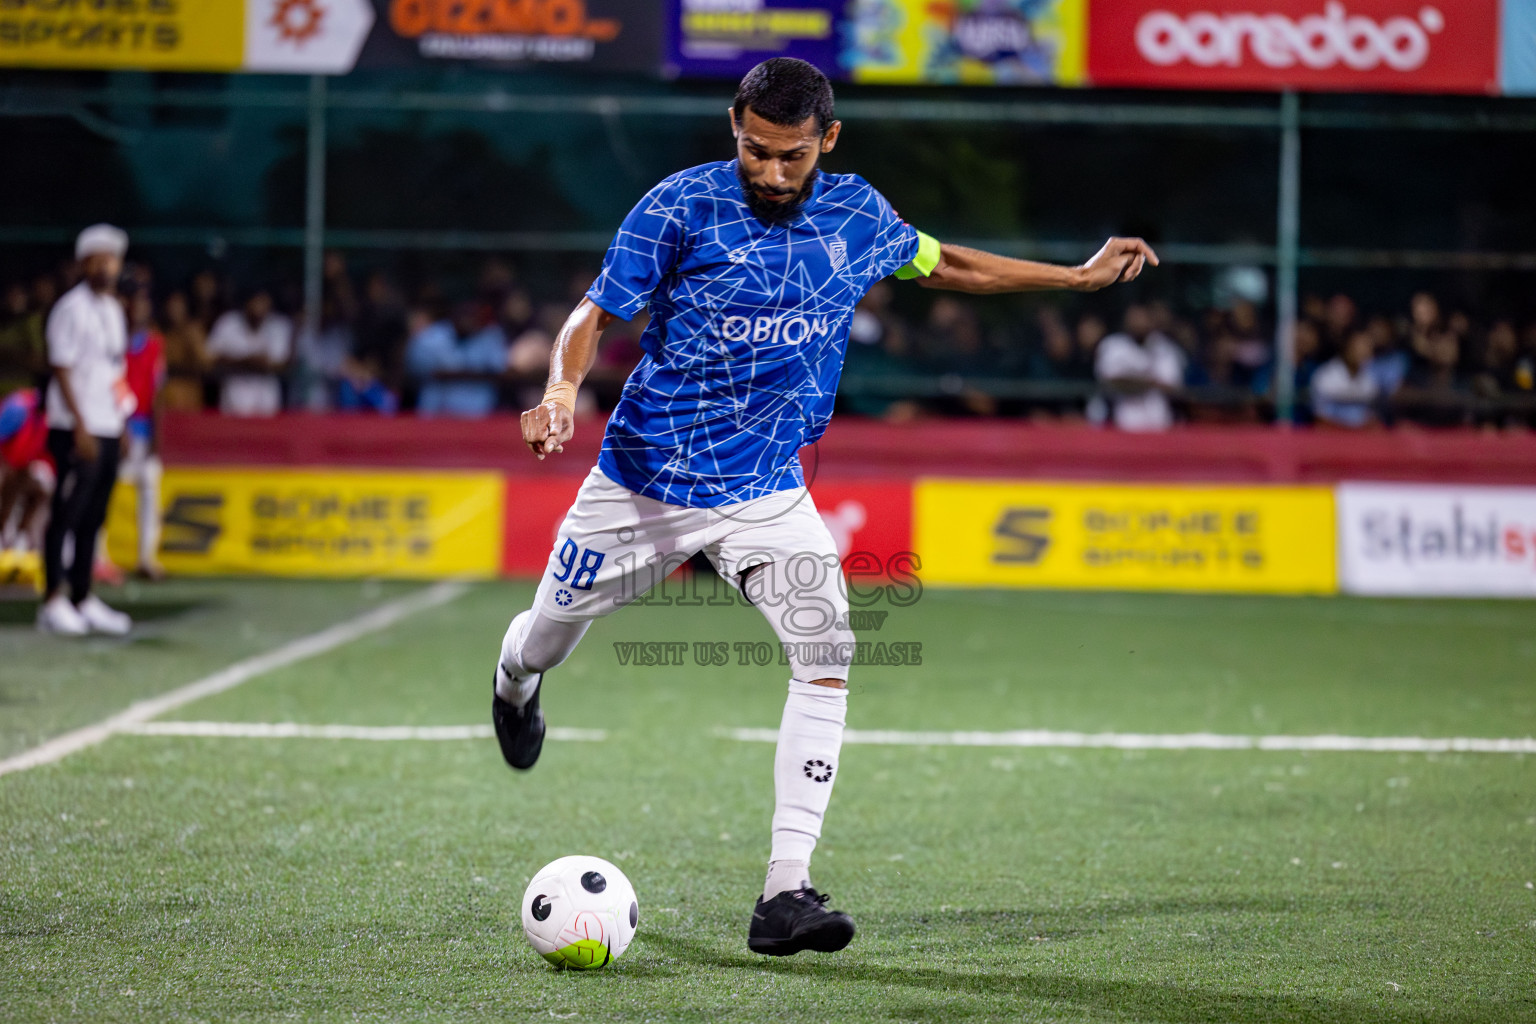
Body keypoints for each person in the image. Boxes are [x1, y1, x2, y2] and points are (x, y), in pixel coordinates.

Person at [491, 58, 1156, 958]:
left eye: (791, 156)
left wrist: (1075, 281)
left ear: (828, 141)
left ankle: (785, 894)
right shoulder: (678, 207)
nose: (771, 172)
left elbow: (944, 262)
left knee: (828, 652)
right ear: (735, 125)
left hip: (767, 490)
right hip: (642, 484)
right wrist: (564, 390)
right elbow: (593, 314)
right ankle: (515, 681)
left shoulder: (857, 215)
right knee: (547, 633)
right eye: (756, 151)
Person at [37, 224, 134, 636]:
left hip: (108, 423)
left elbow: (116, 369)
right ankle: (53, 600)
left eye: (111, 259)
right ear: (83, 264)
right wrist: (80, 425)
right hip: (76, 425)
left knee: (95, 515)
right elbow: (61, 368)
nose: (105, 266)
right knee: (66, 512)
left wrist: (123, 420)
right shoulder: (70, 309)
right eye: (97, 259)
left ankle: (82, 595)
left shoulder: (114, 311)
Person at [120, 287, 167, 579]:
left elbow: (158, 390)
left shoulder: (154, 345)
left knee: (151, 488)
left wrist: (156, 435)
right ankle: (97, 560)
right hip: (114, 428)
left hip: (144, 429)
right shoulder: (113, 342)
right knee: (101, 492)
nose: (139, 310)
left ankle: (147, 559)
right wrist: (119, 429)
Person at [405, 300, 508, 417]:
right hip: (436, 411)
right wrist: (468, 372)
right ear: (454, 316)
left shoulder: (491, 336)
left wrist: (457, 372)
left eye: (472, 316)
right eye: (464, 315)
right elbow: (416, 370)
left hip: (479, 413)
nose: (467, 320)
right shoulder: (430, 336)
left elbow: (501, 371)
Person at [1094, 303, 1184, 431]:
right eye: (1134, 318)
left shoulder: (1165, 347)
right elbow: (1110, 380)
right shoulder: (1113, 345)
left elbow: (1173, 385)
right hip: (1121, 421)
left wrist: (1133, 380)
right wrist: (1150, 381)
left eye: (1142, 318)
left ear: (1151, 320)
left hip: (1158, 423)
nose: (1138, 323)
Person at [207, 286, 292, 416]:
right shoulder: (228, 322)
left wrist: (261, 363)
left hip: (266, 402)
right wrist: (246, 361)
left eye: (264, 302)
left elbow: (282, 363)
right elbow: (211, 356)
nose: (260, 307)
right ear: (247, 303)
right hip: (234, 400)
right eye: (256, 302)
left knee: (267, 436)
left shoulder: (278, 326)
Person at [1310, 328, 1378, 428]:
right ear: (1346, 347)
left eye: (1367, 346)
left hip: (1361, 436)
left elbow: (1371, 416)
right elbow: (1319, 418)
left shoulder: (1371, 376)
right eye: (1358, 346)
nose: (1362, 351)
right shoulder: (1326, 376)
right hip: (1331, 435)